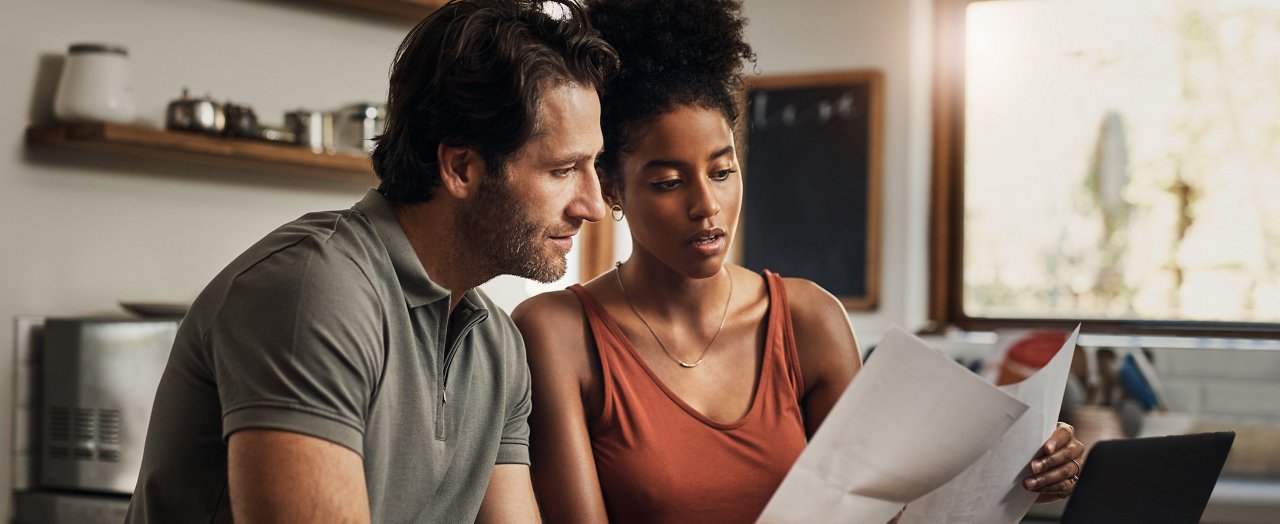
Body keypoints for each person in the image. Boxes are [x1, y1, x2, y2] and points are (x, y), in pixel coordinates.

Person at [510, 0, 1084, 522]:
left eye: (722, 171)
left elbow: (882, 514)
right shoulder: (557, 333)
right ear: (610, 187)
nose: (706, 205)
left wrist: (1015, 475)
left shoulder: (809, 320)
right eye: (667, 182)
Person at [125, 1, 618, 522]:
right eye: (563, 170)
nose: (593, 205)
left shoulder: (497, 346)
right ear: (460, 167)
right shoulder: (314, 289)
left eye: (593, 165)